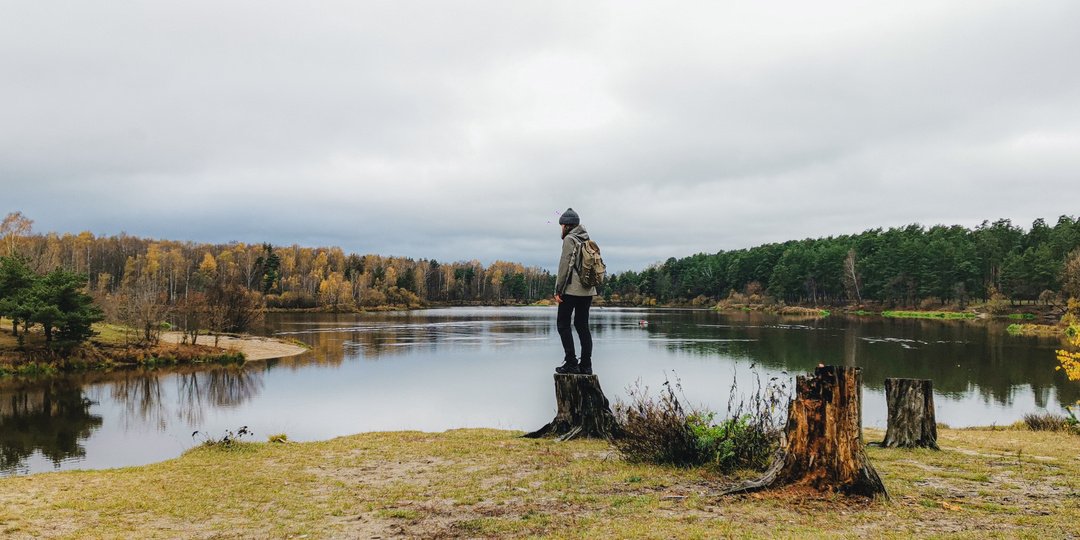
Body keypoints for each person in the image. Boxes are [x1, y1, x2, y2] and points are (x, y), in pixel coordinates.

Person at [554, 208, 597, 375]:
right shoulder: (587, 239)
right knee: (582, 326)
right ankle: (586, 366)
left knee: (563, 324)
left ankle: (571, 362)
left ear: (565, 226)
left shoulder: (570, 240)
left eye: (562, 226)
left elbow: (565, 266)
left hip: (571, 290)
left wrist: (559, 289)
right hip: (588, 291)